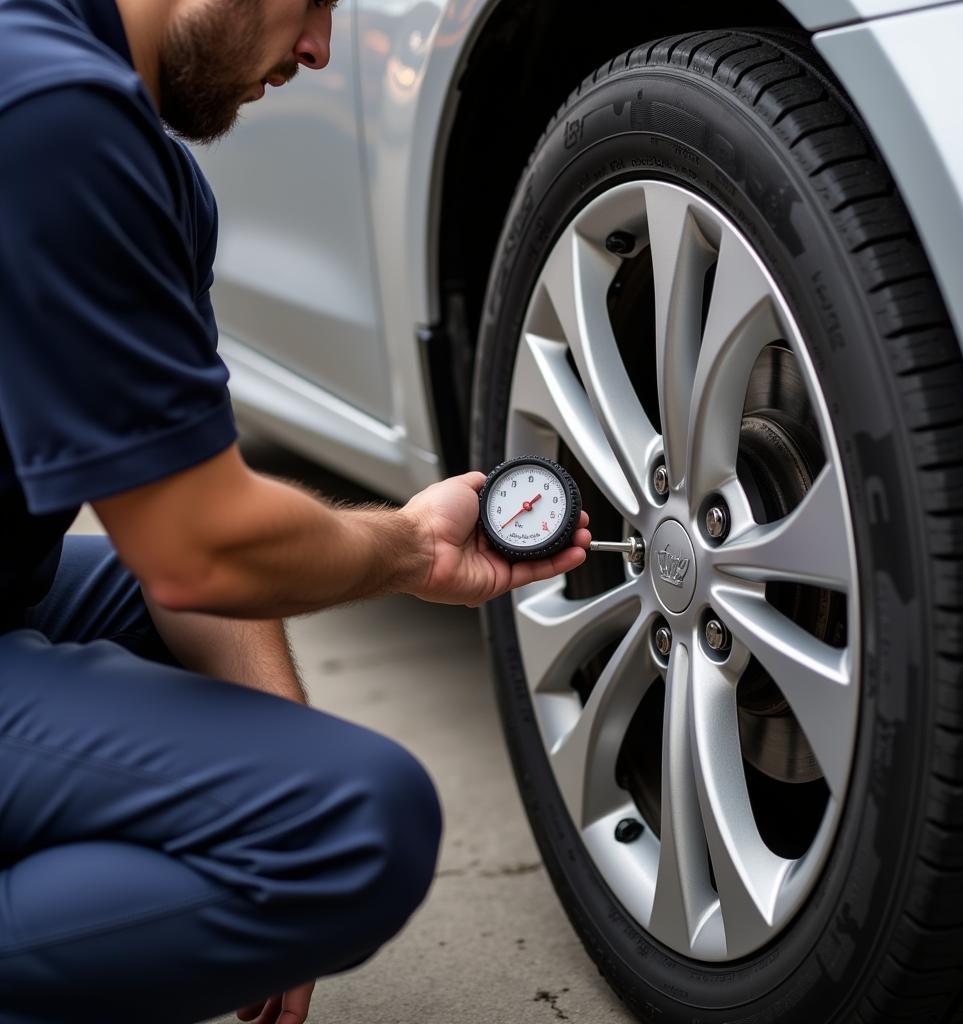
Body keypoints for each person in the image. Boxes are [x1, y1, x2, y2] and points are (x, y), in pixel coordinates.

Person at [0, 0, 592, 1021]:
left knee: (200, 659)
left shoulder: (150, 168)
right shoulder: (52, 109)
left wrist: (263, 864)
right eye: (313, 0)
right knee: (357, 824)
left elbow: (180, 522)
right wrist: (406, 546)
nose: (319, 48)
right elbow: (201, 550)